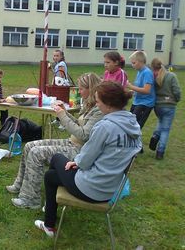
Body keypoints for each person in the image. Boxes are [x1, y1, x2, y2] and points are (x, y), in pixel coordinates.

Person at [35, 81, 142, 237]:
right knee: (51, 176)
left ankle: (49, 222)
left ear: (109, 104)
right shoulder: (134, 126)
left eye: (98, 102)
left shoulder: (105, 126)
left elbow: (85, 161)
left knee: (57, 158)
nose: (97, 106)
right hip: (111, 189)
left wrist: (76, 162)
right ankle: (49, 220)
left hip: (91, 189)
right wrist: (78, 162)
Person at [7, 73, 103, 209]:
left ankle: (30, 199)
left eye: (81, 89)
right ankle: (20, 184)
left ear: (91, 88)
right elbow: (78, 124)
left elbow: (83, 135)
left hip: (81, 151)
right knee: (29, 146)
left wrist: (62, 115)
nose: (79, 91)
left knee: (36, 153)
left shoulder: (99, 110)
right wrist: (65, 112)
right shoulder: (90, 104)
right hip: (72, 143)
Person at [149, 58, 181, 159]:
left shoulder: (153, 77)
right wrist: (177, 99)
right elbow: (177, 91)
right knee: (166, 129)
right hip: (169, 106)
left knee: (161, 121)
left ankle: (155, 136)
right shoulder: (171, 76)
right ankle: (160, 151)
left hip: (158, 105)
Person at [127, 50, 155, 132]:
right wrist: (132, 91)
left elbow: (147, 90)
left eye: (134, 63)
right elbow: (140, 87)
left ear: (141, 62)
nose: (132, 65)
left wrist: (131, 86)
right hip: (137, 101)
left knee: (136, 126)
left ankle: (136, 144)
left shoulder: (147, 73)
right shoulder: (139, 72)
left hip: (145, 103)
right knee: (130, 123)